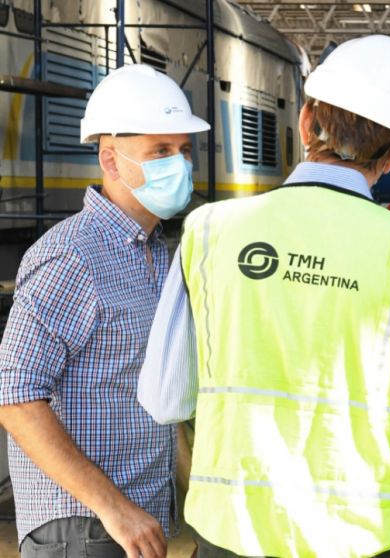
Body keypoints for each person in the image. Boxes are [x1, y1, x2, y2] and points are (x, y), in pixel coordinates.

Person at [137, 35, 390, 557]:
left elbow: (165, 398)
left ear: (306, 123)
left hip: (233, 536)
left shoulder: (208, 234)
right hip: (364, 540)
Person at [0, 64, 210, 558]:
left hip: (130, 527)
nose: (178, 166)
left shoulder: (157, 253)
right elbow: (14, 395)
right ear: (111, 161)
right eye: (160, 152)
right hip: (83, 531)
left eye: (183, 151)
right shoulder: (73, 256)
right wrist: (115, 508)